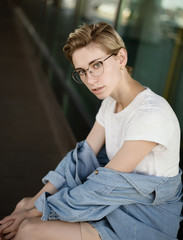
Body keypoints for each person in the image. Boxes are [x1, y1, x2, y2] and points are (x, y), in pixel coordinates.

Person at [0, 22, 182, 240]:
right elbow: (81, 158)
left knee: (30, 228)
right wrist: (33, 203)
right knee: (24, 206)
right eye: (82, 72)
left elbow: (103, 186)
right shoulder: (110, 102)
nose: (90, 80)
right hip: (111, 204)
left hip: (142, 219)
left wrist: (40, 209)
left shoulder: (151, 114)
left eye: (96, 65)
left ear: (121, 58)